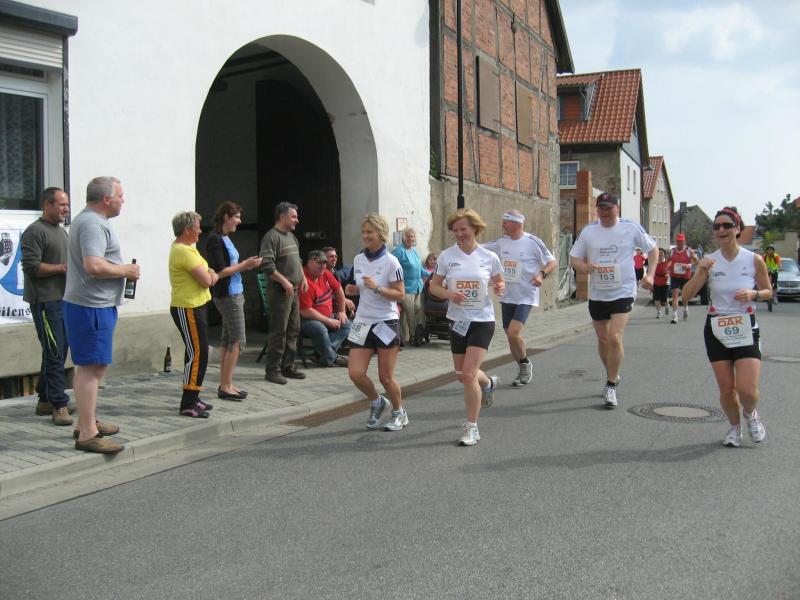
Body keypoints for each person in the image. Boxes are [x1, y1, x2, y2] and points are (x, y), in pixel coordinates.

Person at [682, 207, 770, 447]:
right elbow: (686, 296)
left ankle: (750, 414)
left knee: (747, 390)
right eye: (717, 226)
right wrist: (700, 271)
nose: (721, 230)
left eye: (727, 225)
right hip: (717, 326)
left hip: (744, 325)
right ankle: (734, 428)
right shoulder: (710, 261)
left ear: (737, 228)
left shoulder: (753, 260)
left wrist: (753, 294)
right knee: (727, 388)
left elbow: (768, 291)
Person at [63, 177, 139, 453]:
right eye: (120, 195)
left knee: (88, 367)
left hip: (90, 306)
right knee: (93, 369)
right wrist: (126, 270)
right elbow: (93, 265)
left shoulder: (89, 221)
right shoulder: (93, 224)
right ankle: (87, 434)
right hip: (91, 307)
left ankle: (86, 420)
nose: (123, 200)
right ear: (107, 199)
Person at [569, 192, 656, 409]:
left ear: (617, 208)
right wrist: (585, 267)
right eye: (601, 208)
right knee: (603, 340)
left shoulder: (630, 228)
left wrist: (651, 275)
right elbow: (574, 259)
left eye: (609, 208)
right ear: (597, 210)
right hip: (599, 292)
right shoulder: (589, 231)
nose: (605, 212)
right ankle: (613, 374)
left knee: (614, 337)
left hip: (623, 290)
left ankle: (610, 386)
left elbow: (653, 249)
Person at [429, 208, 504, 446]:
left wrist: (500, 287)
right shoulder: (446, 256)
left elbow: (499, 281)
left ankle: (472, 427)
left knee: (469, 373)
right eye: (455, 230)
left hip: (482, 321)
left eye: (463, 229)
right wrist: (448, 294)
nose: (459, 234)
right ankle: (488, 383)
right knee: (462, 375)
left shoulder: (489, 257)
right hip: (458, 321)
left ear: (475, 228)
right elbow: (433, 286)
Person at [345, 214, 408, 431]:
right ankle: (377, 401)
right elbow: (361, 289)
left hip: (385, 322)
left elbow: (400, 294)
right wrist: (354, 290)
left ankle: (399, 412)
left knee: (386, 377)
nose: (365, 236)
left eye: (369, 232)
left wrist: (377, 288)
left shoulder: (392, 261)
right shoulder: (358, 259)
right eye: (363, 232)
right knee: (355, 373)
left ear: (380, 234)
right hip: (362, 322)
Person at [21, 187, 75, 426]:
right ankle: (58, 404)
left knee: (58, 350)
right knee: (55, 352)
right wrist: (62, 268)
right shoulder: (34, 231)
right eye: (62, 204)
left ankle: (44, 398)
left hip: (63, 300)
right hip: (45, 301)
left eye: (67, 205)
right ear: (47, 205)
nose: (66, 209)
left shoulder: (62, 232)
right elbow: (31, 267)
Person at [483, 210, 556, 386]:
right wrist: (463, 243)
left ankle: (525, 364)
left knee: (513, 332)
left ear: (516, 224)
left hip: (526, 295)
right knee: (510, 336)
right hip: (508, 296)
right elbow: (480, 248)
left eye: (506, 222)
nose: (502, 225)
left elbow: (552, 261)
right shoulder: (501, 242)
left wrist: (541, 274)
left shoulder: (532, 241)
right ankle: (522, 366)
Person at [206, 201, 262, 400]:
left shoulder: (225, 238)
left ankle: (226, 383)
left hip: (236, 292)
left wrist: (247, 265)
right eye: (236, 217)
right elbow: (219, 272)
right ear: (226, 217)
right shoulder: (214, 239)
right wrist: (245, 265)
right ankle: (225, 386)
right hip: (227, 294)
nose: (239, 221)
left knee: (228, 339)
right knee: (239, 340)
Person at [169, 211, 218, 418]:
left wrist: (210, 274)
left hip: (196, 305)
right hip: (187, 307)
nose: (200, 231)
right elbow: (207, 279)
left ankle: (194, 396)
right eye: (198, 227)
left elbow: (208, 273)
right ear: (188, 229)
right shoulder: (183, 251)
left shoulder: (189, 249)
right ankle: (188, 403)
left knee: (197, 351)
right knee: (198, 353)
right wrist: (212, 276)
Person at [259, 202, 308, 384]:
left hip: (293, 291)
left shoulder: (292, 237)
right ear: (282, 217)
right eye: (293, 216)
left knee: (293, 330)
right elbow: (267, 265)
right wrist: (284, 281)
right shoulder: (271, 237)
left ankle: (288, 366)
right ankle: (272, 370)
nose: (297, 220)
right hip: (280, 291)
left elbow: (298, 260)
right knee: (279, 331)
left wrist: (303, 277)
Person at [299, 250, 351, 367]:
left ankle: (324, 355)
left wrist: (342, 311)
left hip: (327, 316)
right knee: (320, 329)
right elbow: (305, 312)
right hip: (306, 319)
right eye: (320, 262)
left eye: (324, 263)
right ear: (310, 263)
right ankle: (333, 358)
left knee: (347, 325)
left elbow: (339, 290)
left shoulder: (325, 273)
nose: (323, 266)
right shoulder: (304, 281)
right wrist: (328, 321)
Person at [391, 227, 426, 345]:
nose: (410, 239)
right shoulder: (398, 251)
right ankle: (414, 336)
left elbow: (420, 269)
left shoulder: (414, 251)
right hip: (405, 288)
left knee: (417, 310)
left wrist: (432, 274)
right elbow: (391, 267)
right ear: (403, 238)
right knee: (410, 313)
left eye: (412, 236)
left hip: (417, 287)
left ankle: (408, 336)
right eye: (408, 237)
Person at [668, 233, 698, 324]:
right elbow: (668, 261)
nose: (679, 243)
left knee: (684, 295)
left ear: (684, 241)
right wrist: (667, 268)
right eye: (678, 241)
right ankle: (675, 315)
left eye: (681, 241)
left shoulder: (689, 251)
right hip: (674, 276)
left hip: (685, 276)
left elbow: (696, 261)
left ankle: (685, 308)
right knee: (675, 294)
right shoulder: (672, 251)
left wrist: (689, 265)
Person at [322, 245, 356, 316]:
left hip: (336, 308)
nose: (334, 259)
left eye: (335, 256)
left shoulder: (336, 273)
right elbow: (322, 295)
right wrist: (343, 300)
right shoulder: (319, 274)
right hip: (324, 309)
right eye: (331, 256)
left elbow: (338, 292)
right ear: (324, 259)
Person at [653, 248, 671, 318]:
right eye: (659, 253)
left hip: (665, 283)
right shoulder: (654, 262)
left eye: (661, 253)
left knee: (665, 299)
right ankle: (659, 312)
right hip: (656, 282)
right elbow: (651, 272)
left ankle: (667, 305)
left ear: (664, 254)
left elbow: (670, 271)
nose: (660, 254)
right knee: (657, 299)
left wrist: (668, 274)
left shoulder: (667, 262)